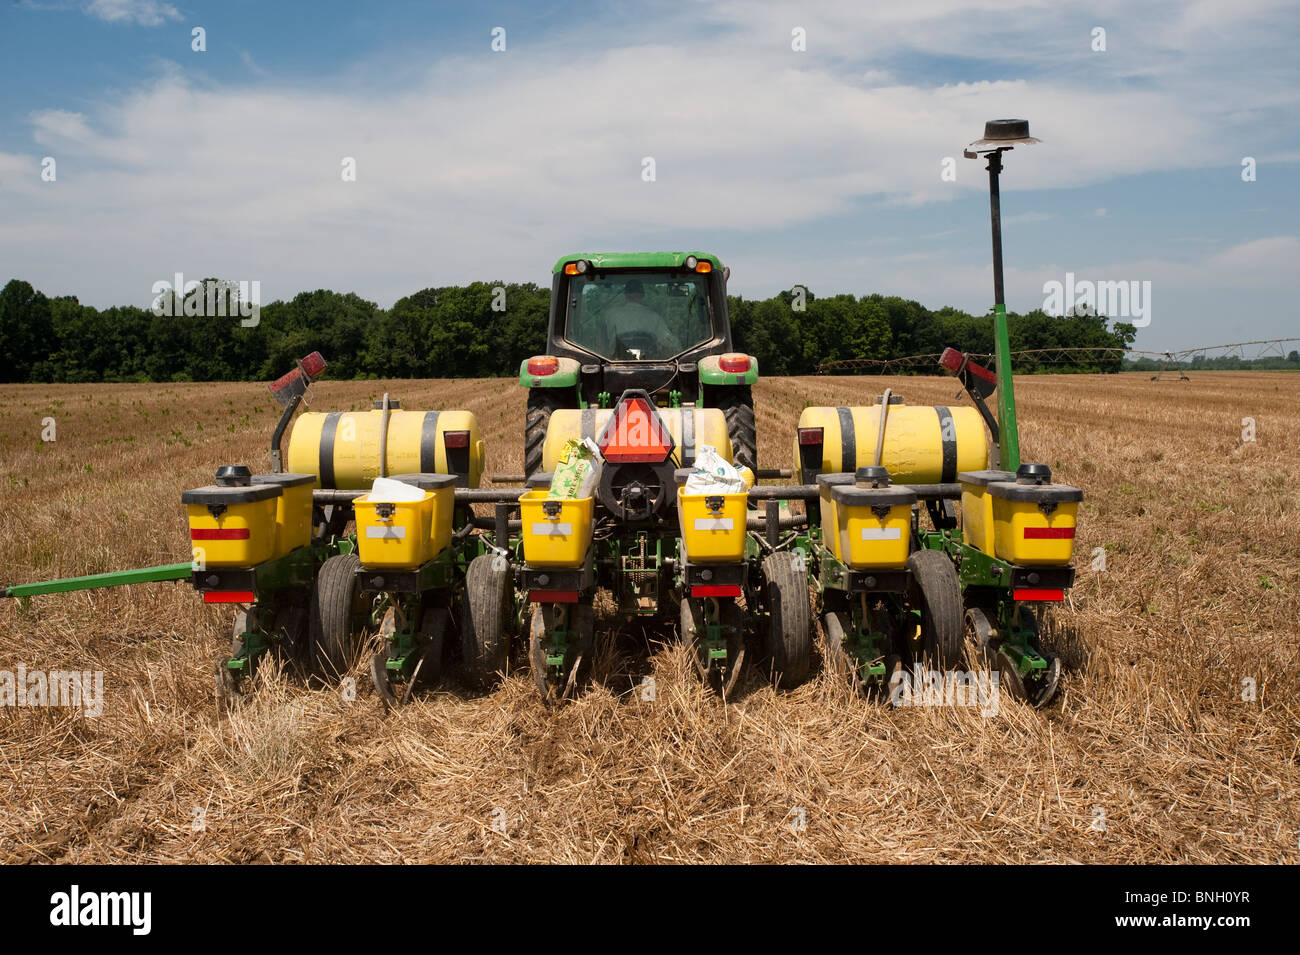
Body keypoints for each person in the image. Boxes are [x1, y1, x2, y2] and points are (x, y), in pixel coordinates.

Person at [600, 279, 679, 358]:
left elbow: (601, 340)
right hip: (648, 365)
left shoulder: (610, 315)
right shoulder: (654, 317)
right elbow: (669, 342)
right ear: (643, 295)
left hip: (615, 364)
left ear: (625, 295)